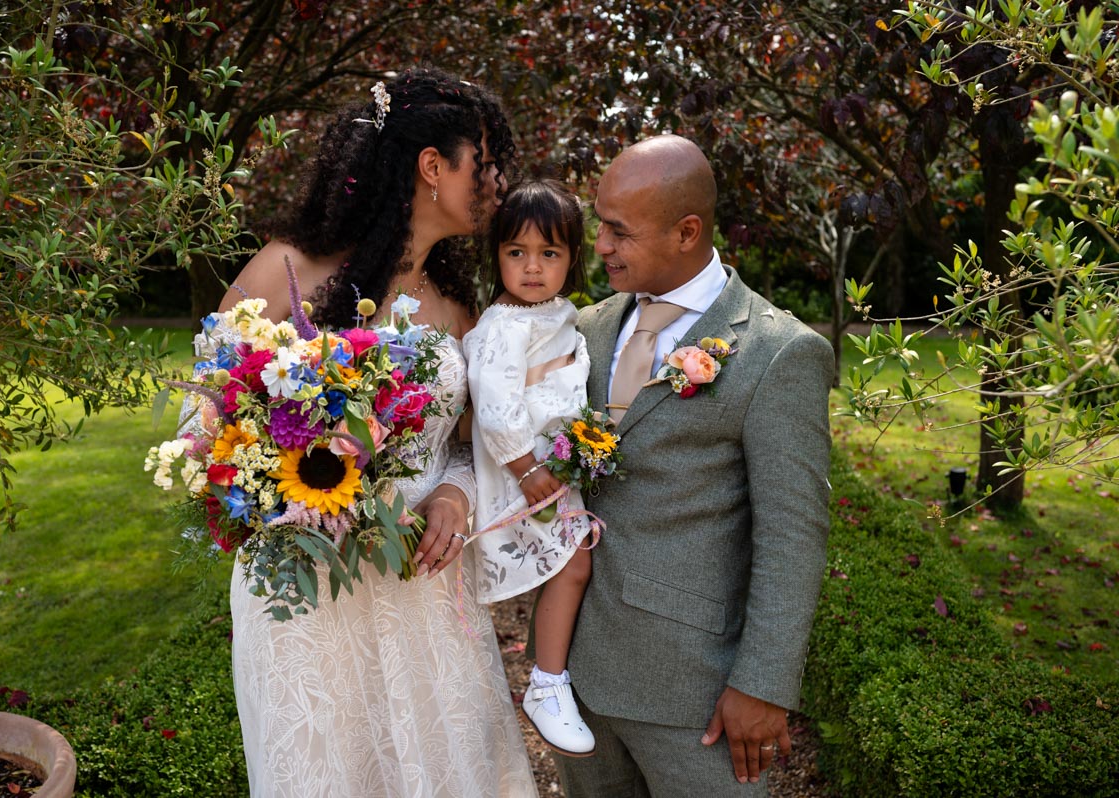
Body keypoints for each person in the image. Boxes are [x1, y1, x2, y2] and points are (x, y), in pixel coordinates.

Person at [200, 68, 538, 798]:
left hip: (424, 587)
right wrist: (286, 486)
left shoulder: (456, 305)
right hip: (305, 594)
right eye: (483, 163)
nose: (499, 183)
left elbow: (468, 443)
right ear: (432, 167)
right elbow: (203, 423)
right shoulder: (285, 271)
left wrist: (454, 495)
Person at [554, 135, 834, 796]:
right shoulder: (585, 329)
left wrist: (763, 686)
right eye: (599, 224)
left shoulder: (778, 353)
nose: (599, 245)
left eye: (619, 231)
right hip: (574, 678)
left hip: (695, 694)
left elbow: (793, 535)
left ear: (687, 232)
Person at [462, 180, 596, 758]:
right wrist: (524, 468)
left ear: (572, 257)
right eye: (517, 252)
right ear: (496, 255)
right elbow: (494, 406)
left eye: (549, 253)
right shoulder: (503, 325)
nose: (533, 267)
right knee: (573, 566)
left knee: (574, 565)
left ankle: (551, 678)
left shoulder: (555, 311)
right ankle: (546, 684)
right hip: (525, 472)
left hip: (551, 467)